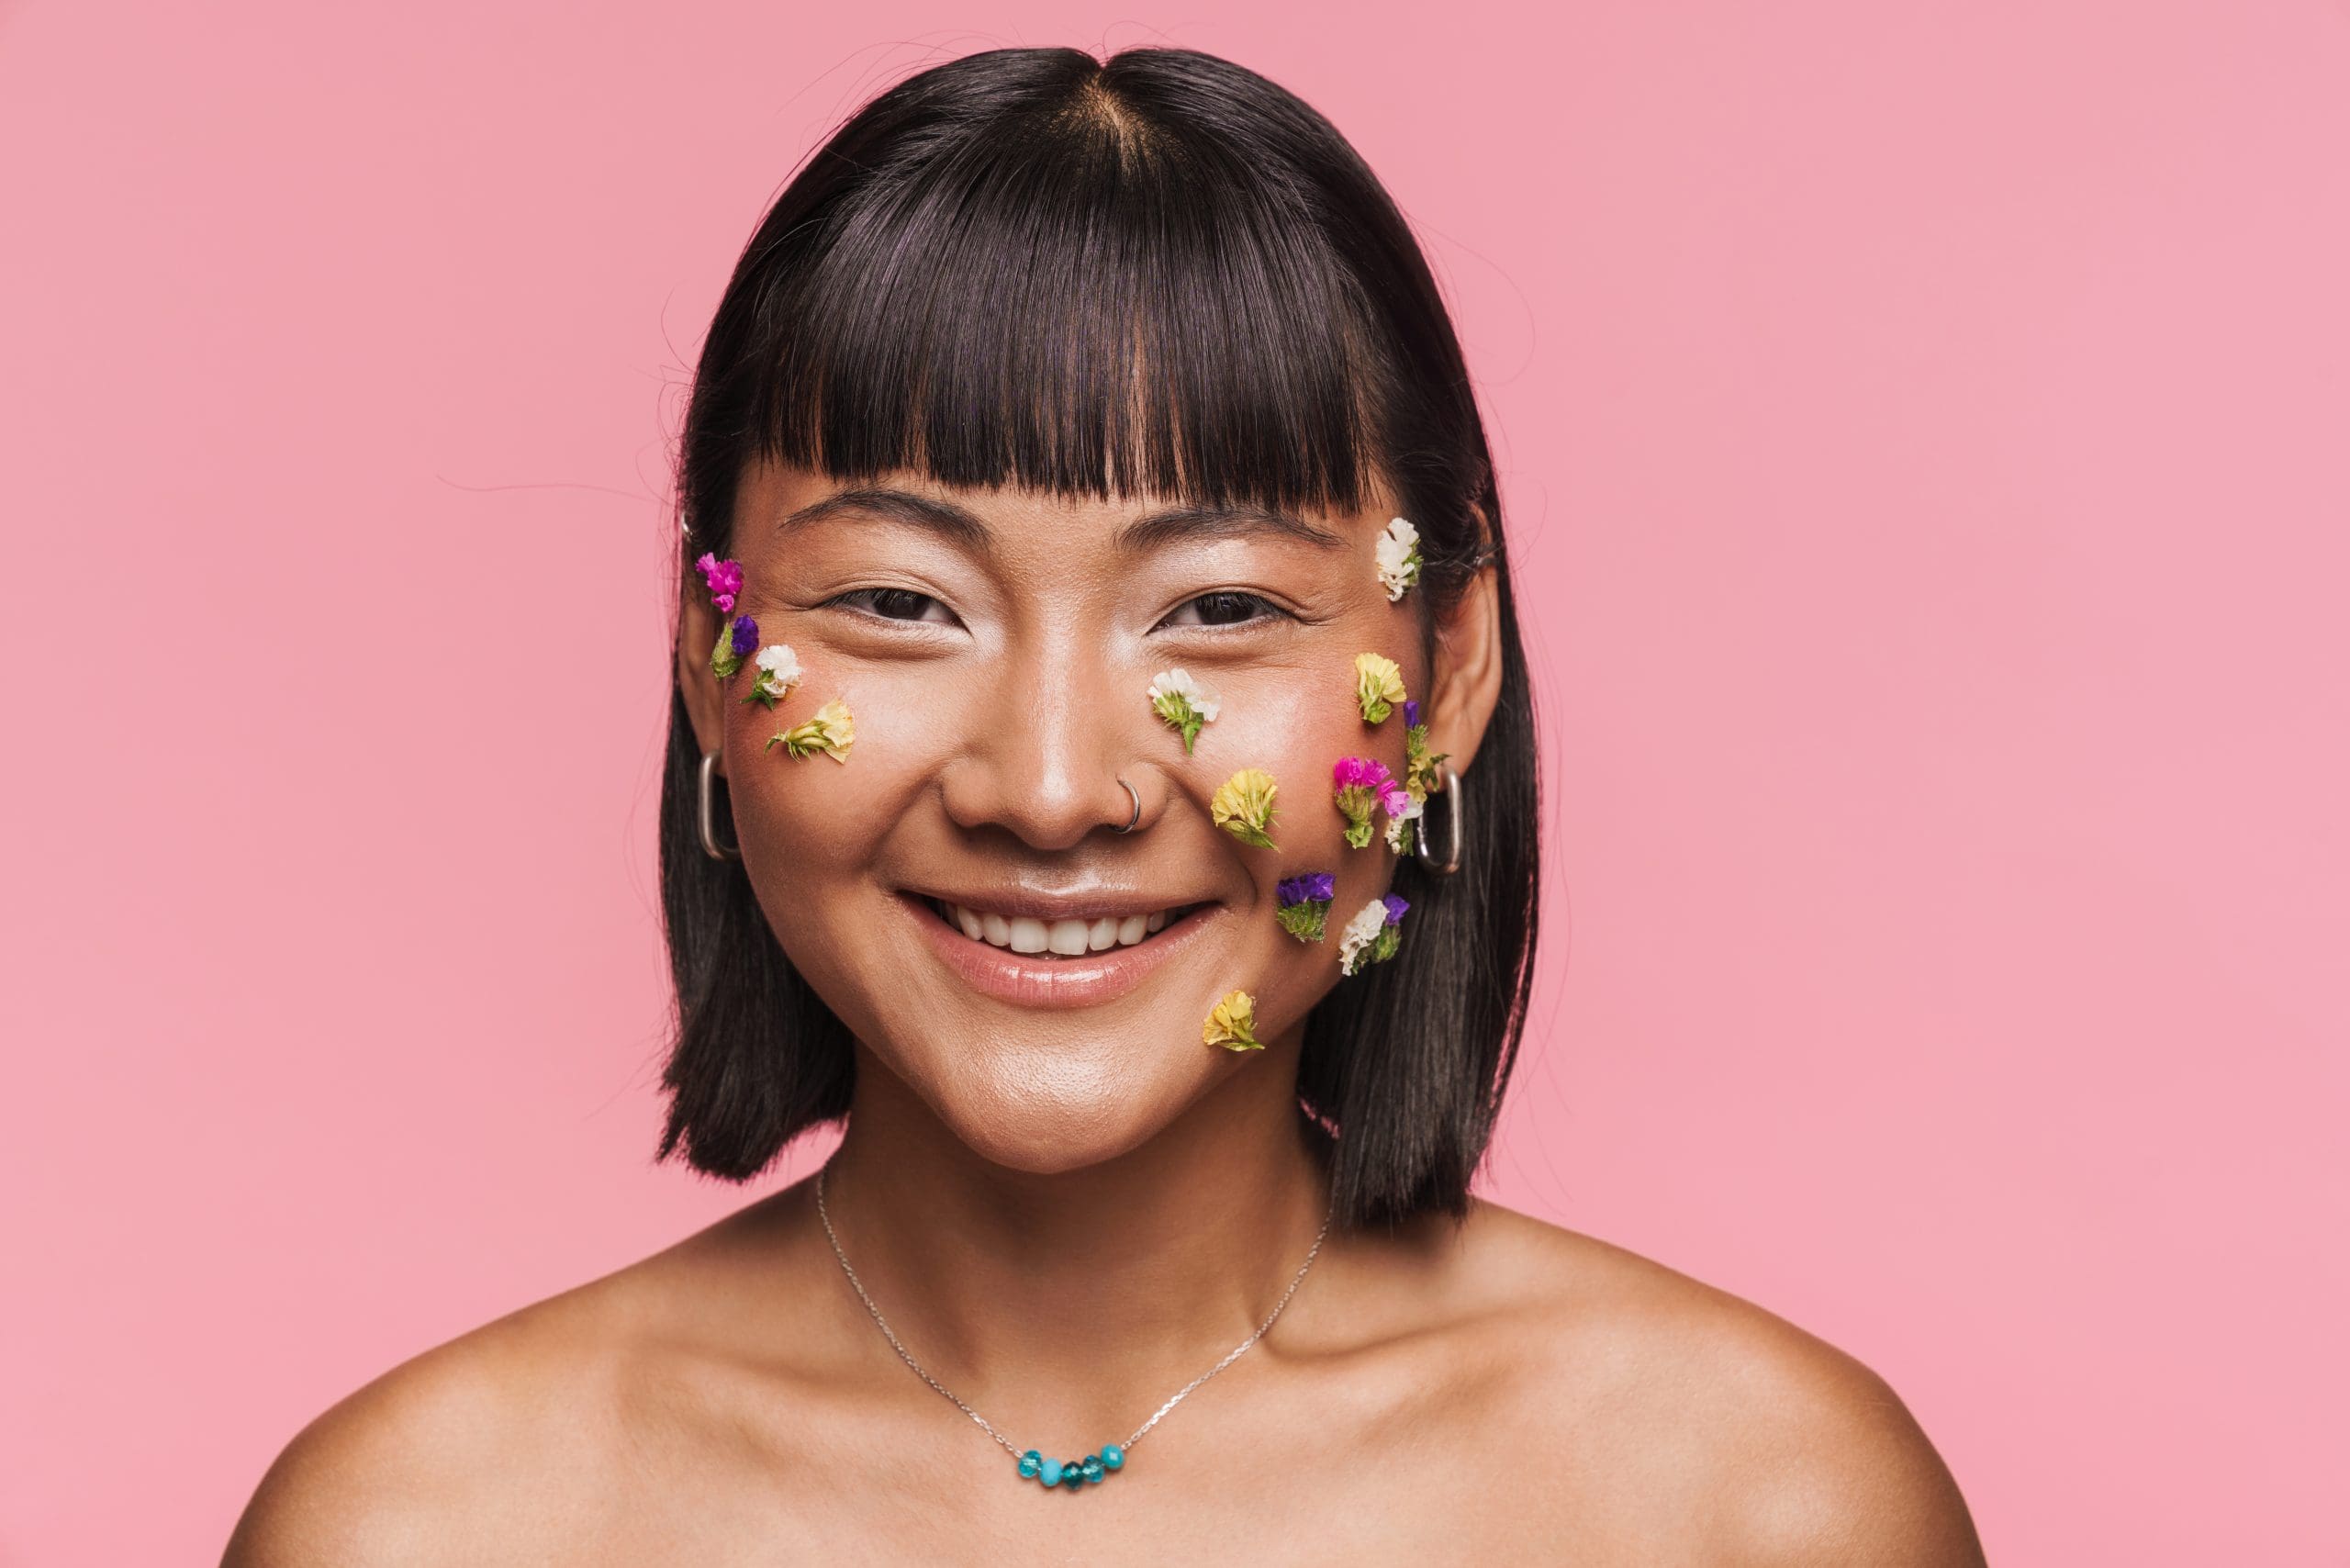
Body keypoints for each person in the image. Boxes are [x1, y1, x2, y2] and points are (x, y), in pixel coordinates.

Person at [225, 44, 1985, 1563]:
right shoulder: (421, 1526)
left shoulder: (1758, 1508)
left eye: (1219, 606)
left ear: (1449, 669)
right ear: (708, 656)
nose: (1053, 790)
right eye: (902, 602)